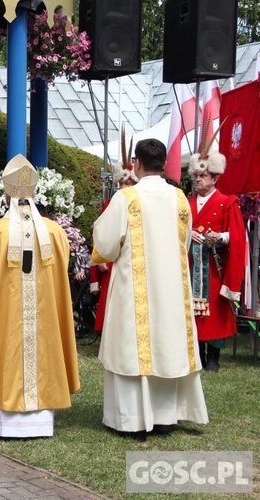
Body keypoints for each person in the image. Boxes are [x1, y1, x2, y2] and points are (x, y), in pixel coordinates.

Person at [92, 138, 208, 437]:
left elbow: (105, 243)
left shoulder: (127, 198)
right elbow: (183, 243)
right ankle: (165, 416)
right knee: (165, 344)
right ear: (163, 163)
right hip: (170, 287)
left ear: (137, 163)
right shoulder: (181, 199)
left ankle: (130, 420)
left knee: (132, 346)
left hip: (135, 288)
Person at [0, 154, 80, 438]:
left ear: (6, 197)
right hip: (45, 318)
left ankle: (6, 422)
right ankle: (41, 420)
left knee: (7, 347)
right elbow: (62, 270)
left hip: (6, 318)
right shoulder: (54, 232)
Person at [188, 148, 245, 372]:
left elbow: (238, 236)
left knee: (215, 312)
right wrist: (186, 234)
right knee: (194, 311)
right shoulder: (187, 204)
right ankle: (198, 354)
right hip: (192, 266)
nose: (198, 180)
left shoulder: (227, 202)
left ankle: (213, 356)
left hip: (214, 265)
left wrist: (220, 236)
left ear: (215, 178)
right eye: (196, 176)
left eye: (202, 176)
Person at [89, 160, 139, 334]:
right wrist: (100, 257)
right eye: (122, 183)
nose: (124, 186)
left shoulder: (141, 203)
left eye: (128, 183)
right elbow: (100, 232)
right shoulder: (110, 204)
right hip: (113, 259)